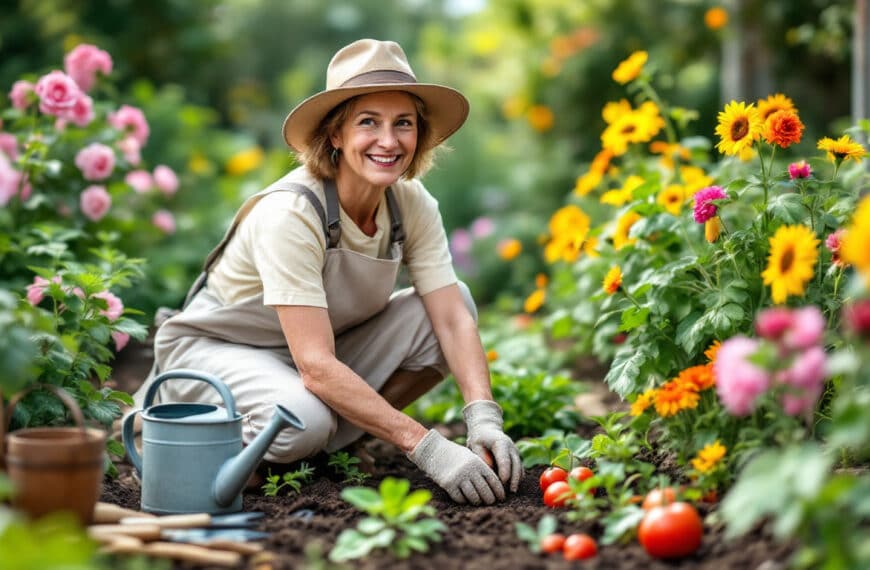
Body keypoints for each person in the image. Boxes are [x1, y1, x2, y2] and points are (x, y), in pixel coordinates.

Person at [133, 39, 523, 505]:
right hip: (219, 349)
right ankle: (227, 450)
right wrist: (427, 447)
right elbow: (316, 368)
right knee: (304, 419)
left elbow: (452, 319)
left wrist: (484, 418)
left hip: (310, 357)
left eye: (404, 123)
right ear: (335, 134)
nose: (389, 140)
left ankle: (325, 448)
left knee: (457, 300)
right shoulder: (293, 213)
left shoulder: (410, 204)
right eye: (368, 123)